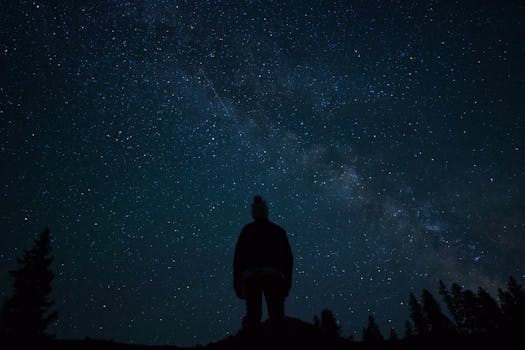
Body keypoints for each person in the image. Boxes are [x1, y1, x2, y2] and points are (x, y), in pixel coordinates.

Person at [233, 195, 294, 329]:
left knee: (253, 316)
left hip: (252, 278)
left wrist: (238, 284)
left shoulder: (247, 231)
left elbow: (238, 259)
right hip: (273, 278)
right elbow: (288, 259)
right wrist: (287, 283)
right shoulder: (278, 231)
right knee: (276, 315)